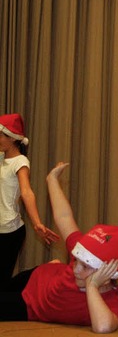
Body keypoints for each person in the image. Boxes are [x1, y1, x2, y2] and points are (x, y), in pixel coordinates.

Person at [0, 162, 118, 333]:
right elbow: (64, 216)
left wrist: (92, 287)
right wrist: (52, 179)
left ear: (107, 273)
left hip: (30, 304)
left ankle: (54, 266)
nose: (76, 269)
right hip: (36, 278)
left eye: (85, 266)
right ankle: (54, 266)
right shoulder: (83, 251)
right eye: (76, 262)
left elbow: (103, 327)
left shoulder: (112, 302)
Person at [0, 113, 59, 282]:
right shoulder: (1, 158)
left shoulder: (20, 162)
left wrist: (37, 223)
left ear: (12, 138)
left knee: (3, 285)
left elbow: (26, 192)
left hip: (9, 230)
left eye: (1, 135)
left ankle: (42, 271)